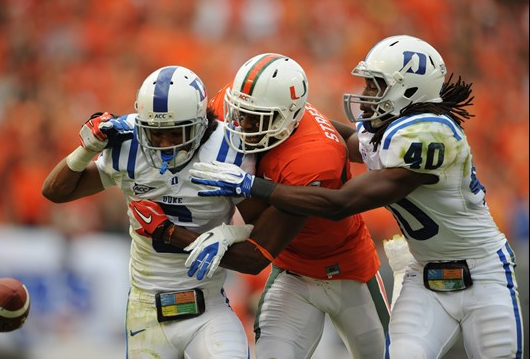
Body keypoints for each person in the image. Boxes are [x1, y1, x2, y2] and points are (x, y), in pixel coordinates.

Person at [188, 36, 524, 359]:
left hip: (483, 271)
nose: (365, 94)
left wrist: (251, 185)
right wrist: (292, 114)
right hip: (423, 273)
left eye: (375, 85)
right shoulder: (389, 131)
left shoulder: (429, 137)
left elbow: (340, 204)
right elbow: (340, 141)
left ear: (407, 89)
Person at [182, 53, 390, 359]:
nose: (243, 125)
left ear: (289, 117)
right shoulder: (235, 100)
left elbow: (257, 254)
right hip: (294, 273)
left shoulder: (312, 158)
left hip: (349, 271)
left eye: (257, 119)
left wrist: (172, 234)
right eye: (242, 113)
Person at [42, 65, 256, 359]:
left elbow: (265, 239)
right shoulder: (128, 144)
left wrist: (229, 232)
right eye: (156, 134)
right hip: (147, 309)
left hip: (209, 306)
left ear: (201, 122)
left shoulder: (229, 149)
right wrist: (86, 150)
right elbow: (55, 192)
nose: (166, 145)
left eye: (174, 132)